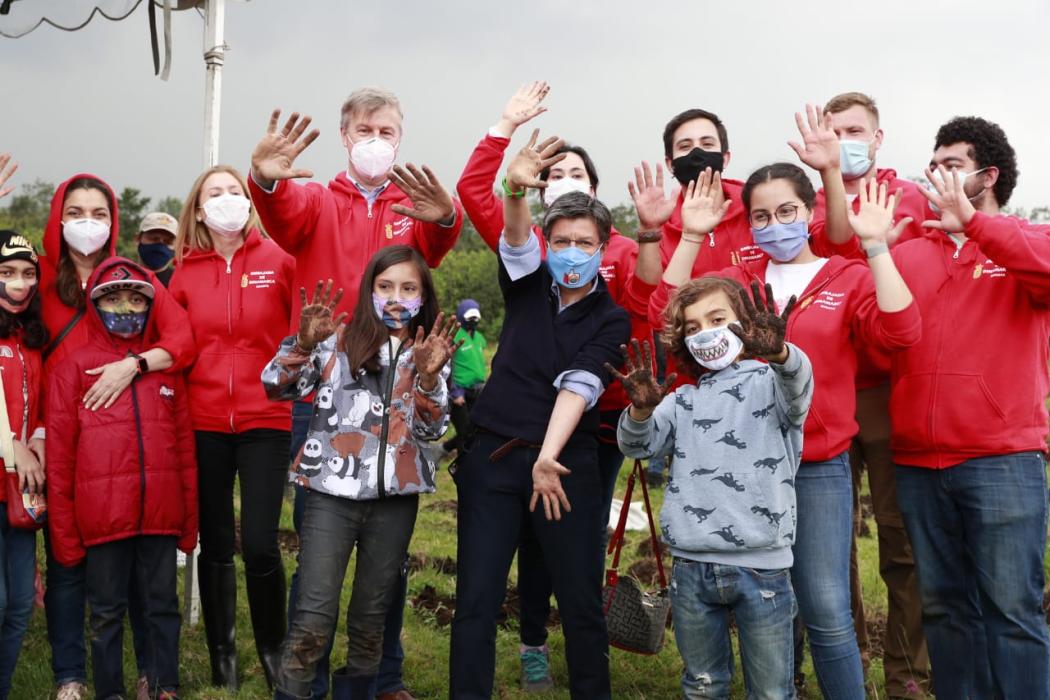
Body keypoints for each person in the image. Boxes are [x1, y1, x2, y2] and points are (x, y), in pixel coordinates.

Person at [652, 105, 921, 699]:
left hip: (819, 465)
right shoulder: (738, 280)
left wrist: (876, 248)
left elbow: (902, 335)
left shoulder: (844, 276)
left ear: (809, 213)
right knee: (767, 608)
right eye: (762, 216)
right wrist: (693, 235)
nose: (776, 224)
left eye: (788, 212)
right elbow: (662, 316)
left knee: (826, 611)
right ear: (749, 224)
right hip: (743, 470)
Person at [250, 86, 463, 700]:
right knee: (319, 556)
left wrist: (445, 217)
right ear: (346, 136)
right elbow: (280, 212)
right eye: (366, 130)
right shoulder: (316, 199)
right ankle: (304, 678)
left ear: (401, 136)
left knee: (384, 570)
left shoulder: (411, 203)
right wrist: (264, 180)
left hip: (402, 389)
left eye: (387, 131)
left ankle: (382, 677)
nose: (376, 141)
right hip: (329, 386)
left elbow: (435, 253)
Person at [455, 84, 654, 689]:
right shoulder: (528, 284)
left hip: (566, 467)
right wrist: (515, 188)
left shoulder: (611, 318)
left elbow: (581, 387)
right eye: (561, 242)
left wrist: (548, 458)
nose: (571, 253)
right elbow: (515, 237)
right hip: (492, 458)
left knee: (581, 604)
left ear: (602, 250)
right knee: (477, 602)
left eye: (584, 244)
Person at [888, 116, 1050, 699]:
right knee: (945, 611)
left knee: (1013, 613)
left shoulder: (1027, 242)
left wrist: (978, 227)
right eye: (933, 164)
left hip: (1002, 460)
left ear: (989, 175)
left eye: (952, 164)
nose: (938, 174)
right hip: (918, 462)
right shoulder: (909, 254)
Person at [264, 247, 457, 700]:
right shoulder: (337, 342)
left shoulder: (427, 354)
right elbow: (276, 385)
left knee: (372, 617)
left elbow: (434, 427)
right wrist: (303, 345)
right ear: (370, 290)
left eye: (408, 288)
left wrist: (429, 380)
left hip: (394, 504)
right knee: (313, 613)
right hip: (330, 496)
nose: (395, 298)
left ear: (423, 295)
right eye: (385, 287)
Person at [616, 277, 814, 698]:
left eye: (717, 318)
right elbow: (637, 445)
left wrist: (779, 353)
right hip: (691, 569)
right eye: (692, 327)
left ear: (744, 322)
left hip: (763, 567)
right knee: (703, 686)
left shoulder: (772, 384)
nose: (705, 332)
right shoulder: (680, 401)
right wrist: (640, 409)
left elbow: (797, 389)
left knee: (772, 691)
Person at [40, 174, 196, 700]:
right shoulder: (40, 277)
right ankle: (72, 674)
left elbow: (182, 339)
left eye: (99, 213)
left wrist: (135, 364)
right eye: (77, 211)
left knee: (146, 586)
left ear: (113, 222)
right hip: (61, 434)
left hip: (135, 440)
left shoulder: (134, 279)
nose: (88, 222)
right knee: (72, 573)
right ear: (58, 218)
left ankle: (155, 674)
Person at [819, 91, 931, 694]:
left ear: (879, 136)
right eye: (834, 131)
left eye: (855, 129)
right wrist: (831, 175)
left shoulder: (913, 198)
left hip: (893, 386)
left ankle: (908, 671)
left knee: (899, 537)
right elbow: (838, 243)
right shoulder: (809, 201)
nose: (845, 139)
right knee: (832, 540)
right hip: (832, 387)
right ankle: (849, 659)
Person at [168, 165, 295, 691]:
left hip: (266, 417)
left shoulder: (279, 260)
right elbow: (174, 345)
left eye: (234, 192)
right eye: (213, 194)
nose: (226, 200)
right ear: (198, 210)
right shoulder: (182, 273)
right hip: (203, 422)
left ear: (250, 202)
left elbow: (302, 335)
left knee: (262, 542)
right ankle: (222, 653)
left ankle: (272, 647)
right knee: (215, 541)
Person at [0, 230, 48, 700]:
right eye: (6, 272)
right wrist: (10, 444)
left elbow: (46, 403)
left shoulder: (30, 337)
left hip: (21, 492)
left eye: (27, 273)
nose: (18, 283)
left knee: (17, 606)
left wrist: (36, 440)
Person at [442, 299, 486, 456]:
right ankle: (462, 462)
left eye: (475, 318)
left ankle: (443, 449)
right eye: (469, 318)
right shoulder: (454, 336)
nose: (473, 321)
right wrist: (455, 391)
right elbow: (446, 365)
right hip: (458, 392)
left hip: (477, 389)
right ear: (461, 317)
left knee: (475, 427)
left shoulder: (479, 338)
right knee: (465, 429)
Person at [136, 212, 179, 287]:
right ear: (137, 239)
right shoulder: (121, 280)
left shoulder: (180, 285)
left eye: (168, 242)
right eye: (154, 238)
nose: (160, 246)